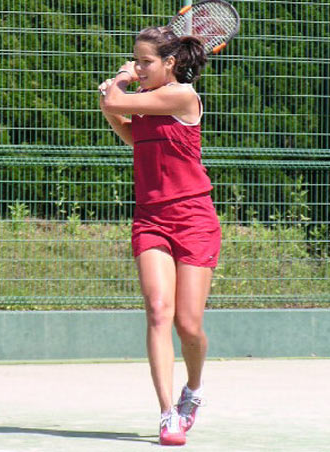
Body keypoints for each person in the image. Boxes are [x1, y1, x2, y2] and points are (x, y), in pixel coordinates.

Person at [99, 26, 221, 446]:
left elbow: (117, 99)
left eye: (145, 61)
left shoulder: (182, 95)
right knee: (157, 310)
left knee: (188, 324)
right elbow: (135, 134)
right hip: (151, 218)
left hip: (194, 219)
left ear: (170, 63)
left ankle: (194, 389)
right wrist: (113, 107)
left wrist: (117, 84)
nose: (138, 67)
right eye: (135, 60)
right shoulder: (150, 103)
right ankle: (168, 413)